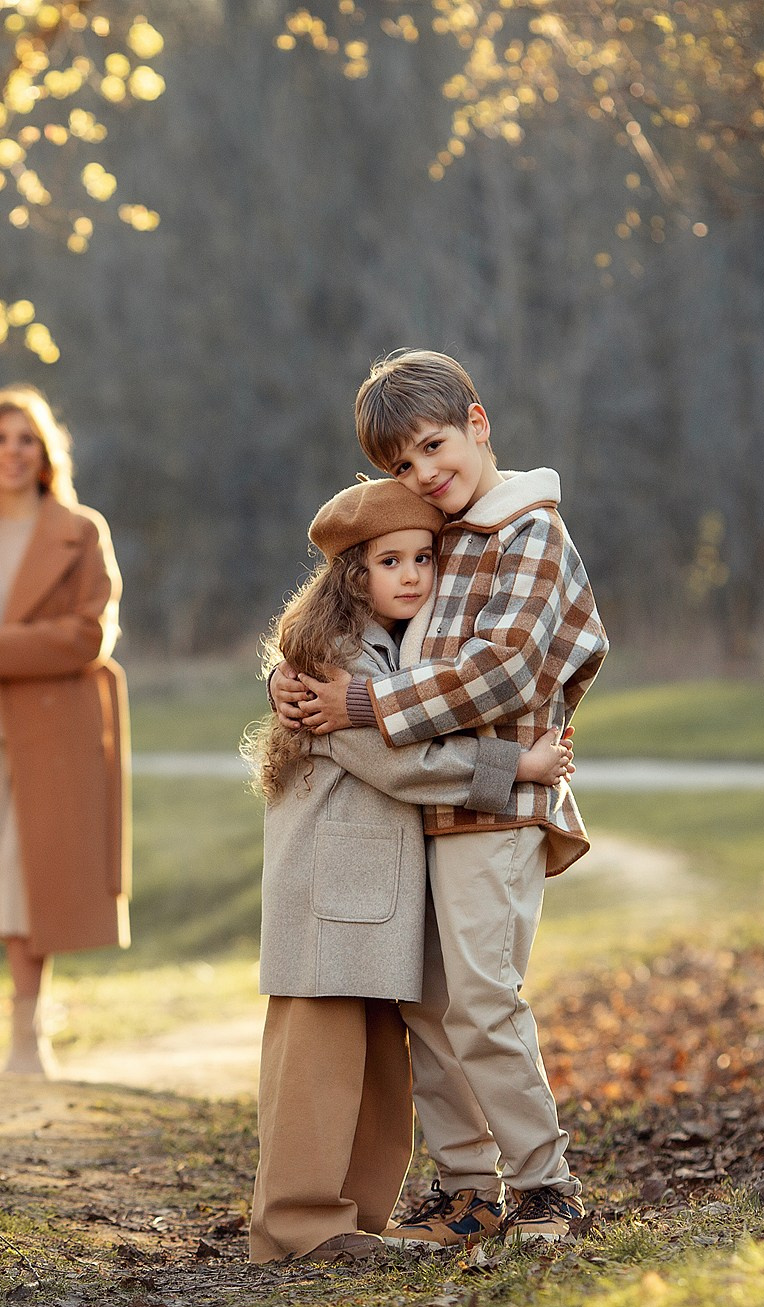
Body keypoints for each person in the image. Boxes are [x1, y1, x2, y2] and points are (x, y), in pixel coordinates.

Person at [273, 349, 609, 1249]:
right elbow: (363, 603)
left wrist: (365, 704)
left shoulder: (530, 532)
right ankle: (468, 1189)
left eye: (435, 445)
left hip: (498, 812)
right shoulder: (450, 533)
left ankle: (547, 1186)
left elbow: (502, 673)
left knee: (485, 1001)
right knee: (430, 1005)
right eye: (403, 465)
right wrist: (293, 672)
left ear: (478, 422)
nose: (425, 473)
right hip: (430, 813)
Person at [0, 386, 130, 1077]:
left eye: (26, 439)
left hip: (48, 730)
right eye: (0, 438)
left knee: (30, 881)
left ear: (45, 452)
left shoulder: (79, 530)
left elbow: (88, 634)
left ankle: (28, 1038)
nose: (13, 452)